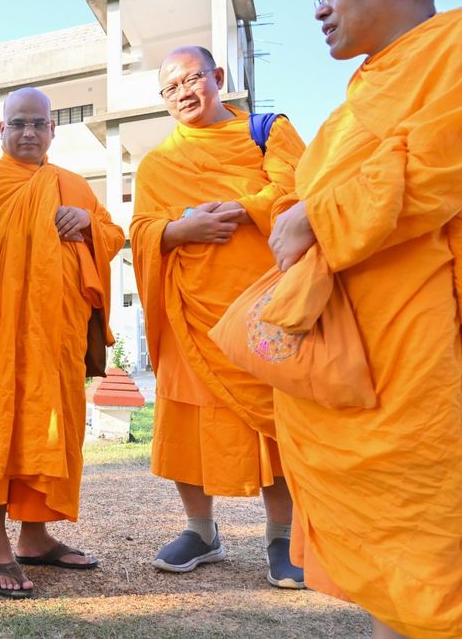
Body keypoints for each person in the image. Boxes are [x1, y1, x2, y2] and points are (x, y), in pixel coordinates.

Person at [267, 0, 461, 636]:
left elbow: (437, 166)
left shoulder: (454, 49)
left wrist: (317, 215)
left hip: (424, 346)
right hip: (356, 351)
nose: (319, 8)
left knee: (430, 547)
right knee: (394, 556)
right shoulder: (366, 90)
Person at [130, 46, 307, 587]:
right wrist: (179, 230)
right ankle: (200, 530)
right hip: (190, 312)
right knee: (187, 420)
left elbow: (298, 192)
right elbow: (142, 230)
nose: (183, 93)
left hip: (262, 306)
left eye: (192, 79)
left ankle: (283, 536)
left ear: (218, 77)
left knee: (273, 418)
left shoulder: (266, 132)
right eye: (170, 88)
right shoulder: (157, 163)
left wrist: (238, 210)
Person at [0, 87, 124, 597]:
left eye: (38, 124)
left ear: (52, 130)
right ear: (0, 129)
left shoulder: (73, 184)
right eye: (18, 123)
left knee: (48, 429)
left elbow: (113, 234)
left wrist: (89, 224)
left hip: (55, 337)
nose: (29, 132)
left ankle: (35, 536)